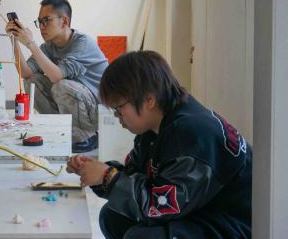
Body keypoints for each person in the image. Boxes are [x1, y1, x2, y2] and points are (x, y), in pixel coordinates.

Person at [67, 51, 252, 239]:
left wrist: (108, 177)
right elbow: (136, 175)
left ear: (149, 100)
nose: (117, 116)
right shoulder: (155, 128)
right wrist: (101, 174)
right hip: (200, 208)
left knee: (141, 237)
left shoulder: (190, 135)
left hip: (232, 223)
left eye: (119, 108)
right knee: (112, 217)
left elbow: (162, 205)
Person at [6, 0, 108, 152]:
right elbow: (26, 73)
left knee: (61, 86)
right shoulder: (49, 46)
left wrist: (30, 44)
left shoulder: (82, 43)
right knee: (32, 81)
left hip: (99, 113)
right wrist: (14, 40)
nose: (42, 26)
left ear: (65, 21)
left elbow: (56, 76)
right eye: (40, 21)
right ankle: (62, 128)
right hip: (79, 106)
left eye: (46, 20)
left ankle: (87, 136)